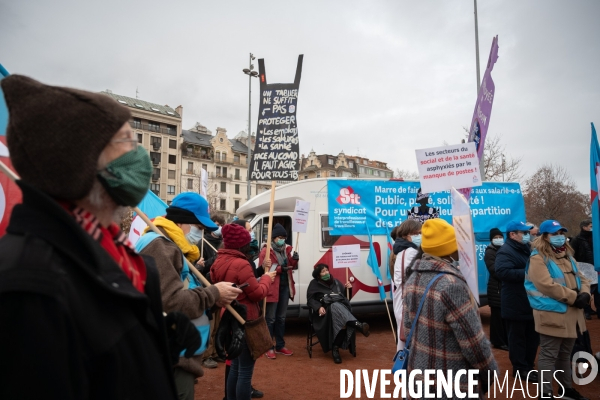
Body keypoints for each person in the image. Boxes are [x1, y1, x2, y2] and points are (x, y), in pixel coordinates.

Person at [0, 75, 197, 399]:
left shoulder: (113, 256)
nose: (140, 156)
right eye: (126, 142)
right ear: (78, 160)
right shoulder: (30, 287)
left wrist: (156, 342)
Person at [137, 192, 241, 400]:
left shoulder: (170, 246)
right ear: (184, 221)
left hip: (176, 352)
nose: (200, 234)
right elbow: (170, 302)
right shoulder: (160, 245)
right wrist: (213, 293)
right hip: (170, 356)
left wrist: (213, 300)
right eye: (199, 228)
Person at [402, 219, 497, 397]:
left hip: (419, 378)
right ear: (448, 250)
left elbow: (408, 329)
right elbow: (474, 344)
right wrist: (490, 374)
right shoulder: (451, 285)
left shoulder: (413, 278)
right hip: (451, 383)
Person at [526, 220, 591, 400]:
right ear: (545, 236)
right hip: (551, 314)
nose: (559, 237)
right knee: (548, 355)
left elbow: (582, 278)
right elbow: (546, 285)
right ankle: (545, 393)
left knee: (565, 355)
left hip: (571, 315)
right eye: (555, 234)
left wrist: (585, 294)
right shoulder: (537, 258)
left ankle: (566, 389)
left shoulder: (568, 255)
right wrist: (574, 298)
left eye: (561, 233)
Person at [211, 224, 276, 400]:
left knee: (237, 368)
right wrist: (265, 279)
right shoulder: (241, 263)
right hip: (245, 319)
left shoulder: (218, 261)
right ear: (242, 245)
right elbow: (257, 293)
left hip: (229, 319)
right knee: (245, 371)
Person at [495, 220, 539, 382]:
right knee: (518, 339)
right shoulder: (506, 251)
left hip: (530, 301)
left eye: (528, 232)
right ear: (513, 235)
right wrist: (530, 273)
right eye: (524, 233)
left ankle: (529, 366)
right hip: (515, 303)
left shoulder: (526, 248)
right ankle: (520, 369)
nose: (528, 235)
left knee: (532, 338)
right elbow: (503, 272)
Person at [306, 264, 370, 363]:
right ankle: (358, 324)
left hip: (340, 313)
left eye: (327, 270)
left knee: (339, 313)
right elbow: (310, 300)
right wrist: (318, 307)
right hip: (324, 315)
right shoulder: (314, 284)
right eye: (323, 271)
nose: (326, 273)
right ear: (318, 275)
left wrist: (348, 289)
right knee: (335, 306)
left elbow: (346, 299)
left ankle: (335, 349)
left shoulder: (336, 282)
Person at [258, 223, 299, 359]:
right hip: (271, 287)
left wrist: (295, 260)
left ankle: (280, 345)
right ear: (274, 238)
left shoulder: (287, 250)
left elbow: (292, 266)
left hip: (285, 287)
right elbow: (263, 271)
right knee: (270, 319)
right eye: (280, 237)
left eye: (284, 237)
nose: (282, 239)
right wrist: (281, 269)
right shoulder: (266, 251)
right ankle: (268, 347)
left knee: (281, 318)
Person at [391, 219, 422, 352]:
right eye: (417, 233)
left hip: (403, 301)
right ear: (406, 235)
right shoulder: (409, 252)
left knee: (404, 341)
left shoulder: (401, 252)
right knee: (410, 343)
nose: (420, 236)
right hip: (409, 303)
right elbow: (412, 279)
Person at [200, 214, 226, 369]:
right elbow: (200, 267)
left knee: (217, 324)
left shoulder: (222, 243)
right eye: (215, 224)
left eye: (220, 224)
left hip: (220, 288)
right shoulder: (202, 243)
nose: (218, 227)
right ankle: (206, 355)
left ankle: (216, 351)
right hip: (208, 288)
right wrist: (214, 259)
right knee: (209, 325)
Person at [485, 227, 509, 351]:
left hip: (503, 288)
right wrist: (508, 273)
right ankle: (498, 341)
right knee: (497, 317)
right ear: (491, 239)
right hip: (496, 288)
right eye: (496, 237)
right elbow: (494, 270)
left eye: (500, 237)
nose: (499, 239)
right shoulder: (490, 251)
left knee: (503, 316)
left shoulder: (503, 250)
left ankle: (503, 340)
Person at [571, 219, 599, 319]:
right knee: (587, 289)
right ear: (584, 227)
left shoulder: (595, 236)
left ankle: (598, 309)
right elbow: (572, 254)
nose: (592, 228)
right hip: (584, 268)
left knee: (597, 290)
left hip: (596, 267)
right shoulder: (577, 239)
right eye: (590, 226)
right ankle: (587, 311)